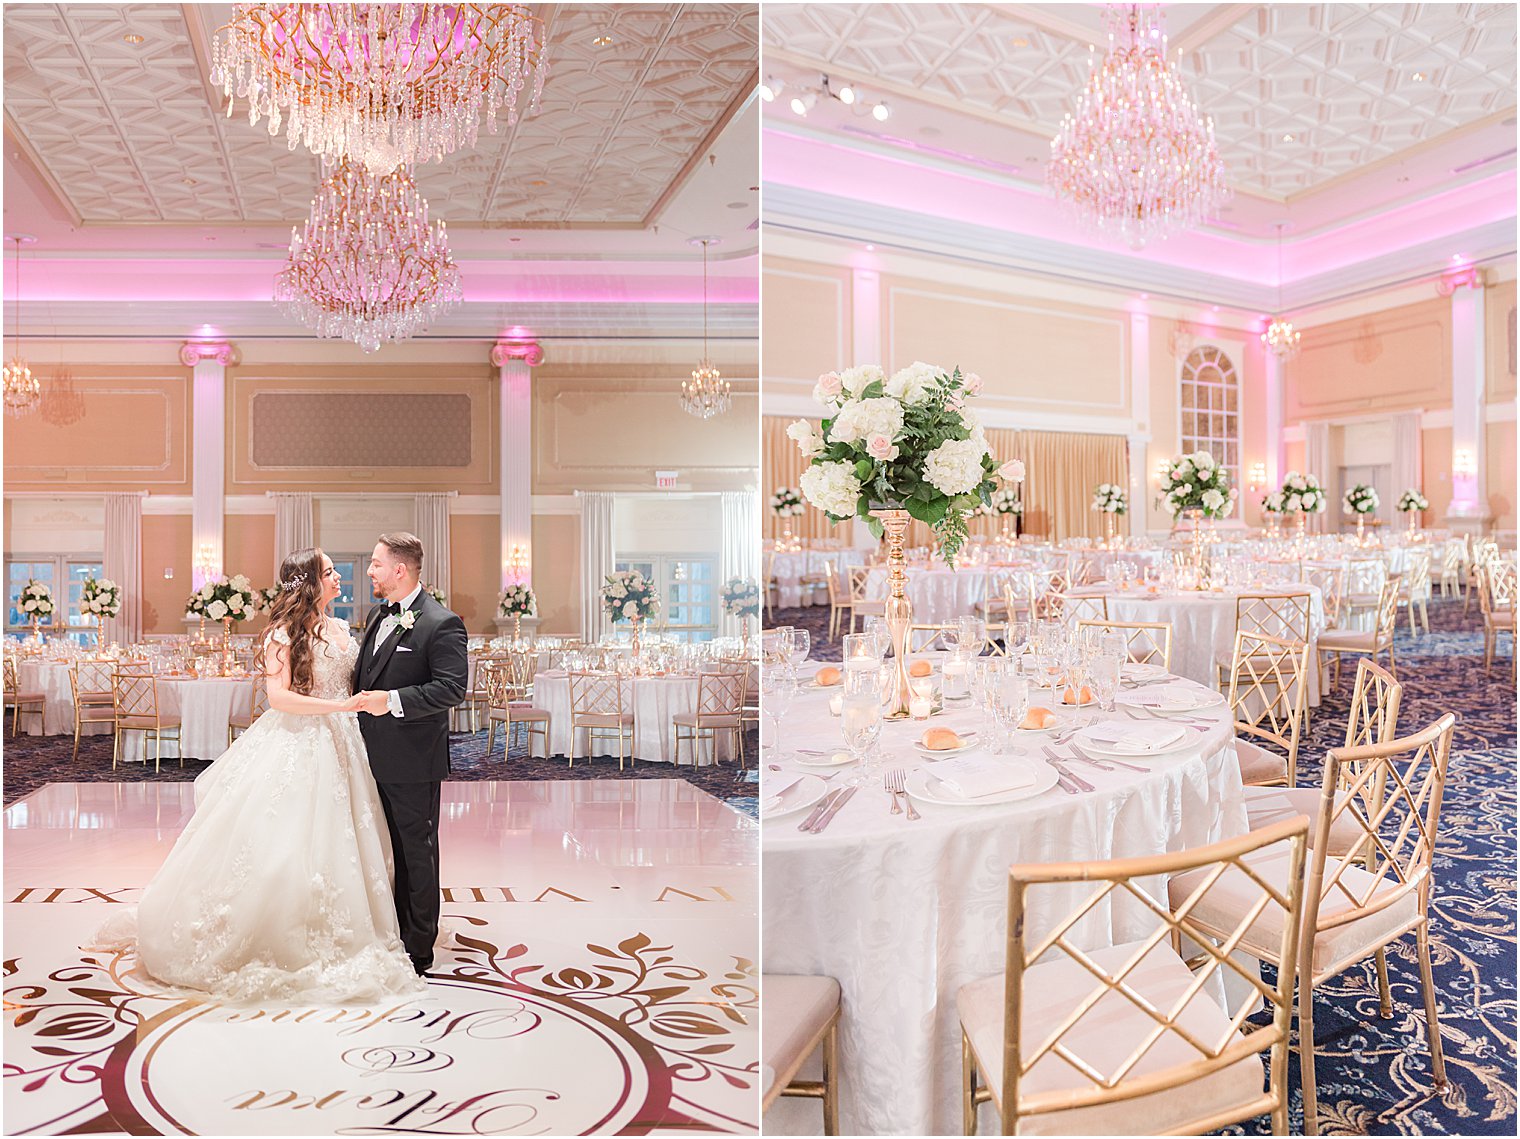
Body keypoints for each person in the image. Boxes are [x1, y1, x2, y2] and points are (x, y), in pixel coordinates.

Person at [109, 548, 423, 1003]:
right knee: (287, 838)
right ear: (311, 582)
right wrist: (337, 707)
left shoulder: (340, 628)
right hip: (301, 737)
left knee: (349, 837)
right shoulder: (282, 632)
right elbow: (279, 698)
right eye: (330, 572)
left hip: (346, 742)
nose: (339, 577)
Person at [351, 532, 468, 975]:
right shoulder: (379, 615)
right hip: (367, 756)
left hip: (411, 760)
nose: (370, 571)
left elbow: (451, 688)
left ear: (400, 571)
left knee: (415, 852)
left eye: (376, 564)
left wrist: (391, 701)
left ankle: (418, 948)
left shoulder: (441, 623)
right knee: (384, 850)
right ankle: (391, 932)